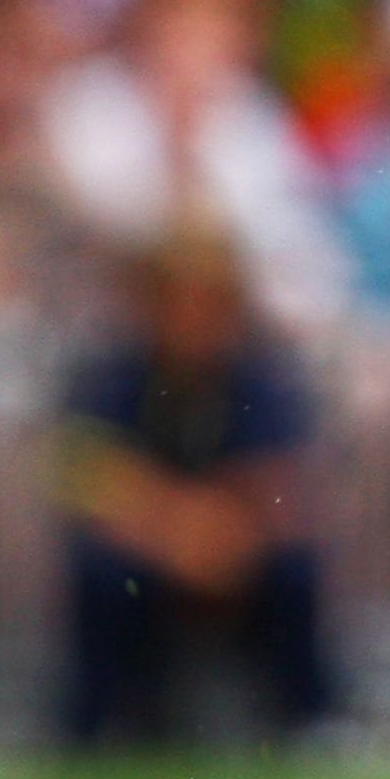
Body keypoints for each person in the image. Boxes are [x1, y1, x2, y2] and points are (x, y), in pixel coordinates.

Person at [57, 230, 338, 746]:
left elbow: (282, 485)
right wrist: (179, 530)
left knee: (296, 570)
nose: (193, 318)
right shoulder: (116, 378)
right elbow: (83, 474)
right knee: (99, 573)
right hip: (150, 564)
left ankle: (313, 724)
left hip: (241, 562)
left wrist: (213, 533)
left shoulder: (262, 378)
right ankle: (93, 732)